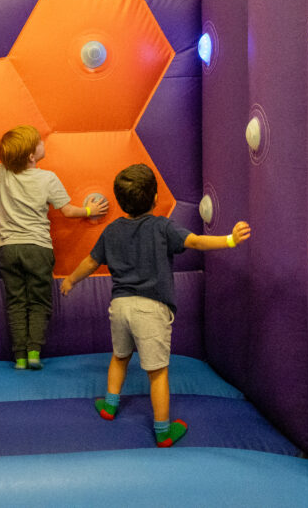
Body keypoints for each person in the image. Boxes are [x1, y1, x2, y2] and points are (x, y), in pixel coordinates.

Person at [60, 163, 250, 447]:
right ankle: (163, 430)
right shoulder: (162, 227)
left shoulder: (112, 230)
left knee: (120, 356)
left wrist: (71, 280)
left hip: (120, 306)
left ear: (120, 202)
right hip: (151, 309)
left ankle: (110, 405)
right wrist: (230, 240)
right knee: (158, 372)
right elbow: (196, 242)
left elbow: (91, 261)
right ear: (155, 197)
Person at [0, 118, 108, 370]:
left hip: (9, 249)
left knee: (16, 302)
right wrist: (89, 210)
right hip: (37, 249)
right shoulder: (48, 179)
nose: (43, 143)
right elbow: (67, 211)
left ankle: (19, 357)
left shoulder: (2, 172)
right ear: (32, 156)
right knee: (38, 302)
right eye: (39, 142)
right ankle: (34, 352)